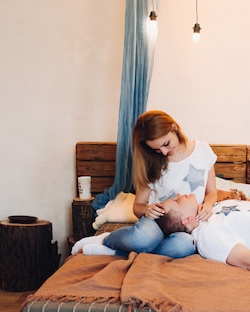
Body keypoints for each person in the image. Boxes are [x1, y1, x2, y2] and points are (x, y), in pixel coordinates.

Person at [72, 110, 218, 258]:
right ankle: (106, 240)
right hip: (156, 221)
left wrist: (208, 205)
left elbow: (211, 192)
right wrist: (147, 210)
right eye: (156, 149)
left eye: (166, 144)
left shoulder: (202, 151)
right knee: (143, 238)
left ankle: (118, 252)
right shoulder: (151, 162)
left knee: (183, 246)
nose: (163, 151)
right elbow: (137, 207)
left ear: (174, 128)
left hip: (186, 222)